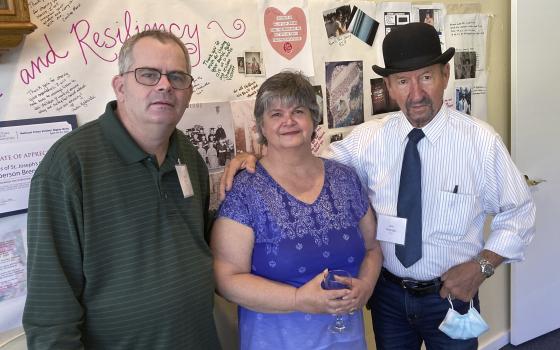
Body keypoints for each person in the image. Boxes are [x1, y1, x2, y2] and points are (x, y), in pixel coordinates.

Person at [221, 22, 536, 350]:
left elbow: (520, 211)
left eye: (426, 77)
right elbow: (304, 162)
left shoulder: (480, 143)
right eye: (402, 81)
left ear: (445, 73)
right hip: (387, 297)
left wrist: (482, 267)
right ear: (388, 85)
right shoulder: (368, 139)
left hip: (451, 295)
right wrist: (252, 157)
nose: (415, 93)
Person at [23, 30, 221, 349]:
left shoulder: (188, 154)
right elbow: (50, 316)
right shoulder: (69, 166)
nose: (164, 85)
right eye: (148, 74)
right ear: (120, 86)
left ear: (188, 91)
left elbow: (207, 244)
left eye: (177, 77)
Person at [212, 71, 382, 350]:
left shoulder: (345, 179)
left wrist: (366, 285)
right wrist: (296, 299)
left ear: (314, 120)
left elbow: (373, 247)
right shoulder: (245, 192)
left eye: (298, 111)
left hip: (346, 339)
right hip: (277, 340)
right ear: (261, 127)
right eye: (276, 114)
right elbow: (226, 279)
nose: (288, 121)